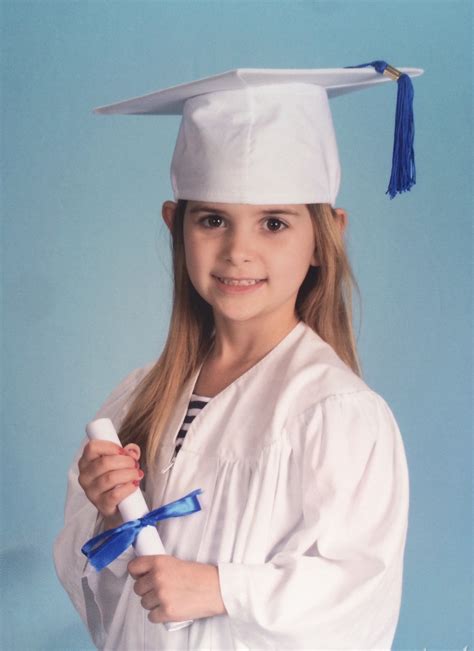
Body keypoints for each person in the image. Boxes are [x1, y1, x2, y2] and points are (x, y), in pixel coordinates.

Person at [53, 61, 423, 650]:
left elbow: (361, 593)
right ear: (176, 226)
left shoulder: (337, 412)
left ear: (327, 238)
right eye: (213, 219)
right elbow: (102, 598)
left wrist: (223, 589)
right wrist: (107, 513)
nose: (238, 251)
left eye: (274, 222)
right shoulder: (138, 397)